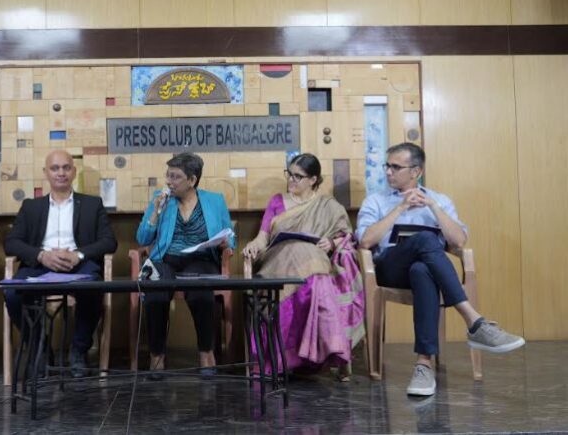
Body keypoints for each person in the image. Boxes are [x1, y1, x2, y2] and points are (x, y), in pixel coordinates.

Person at [357, 142, 525, 396]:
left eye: (396, 167)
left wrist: (433, 207)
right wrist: (400, 208)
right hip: (389, 269)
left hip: (424, 271)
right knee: (426, 240)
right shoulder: (376, 201)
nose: (388, 171)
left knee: (422, 271)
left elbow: (458, 241)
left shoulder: (440, 200)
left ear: (416, 171)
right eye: (387, 166)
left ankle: (423, 364)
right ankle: (473, 320)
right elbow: (365, 241)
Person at [242, 153, 364, 379]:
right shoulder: (277, 201)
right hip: (278, 260)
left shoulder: (328, 206)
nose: (291, 180)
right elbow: (263, 237)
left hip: (315, 262)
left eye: (298, 176)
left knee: (315, 270)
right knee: (305, 257)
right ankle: (301, 355)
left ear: (313, 179)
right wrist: (253, 245)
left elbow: (345, 236)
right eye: (289, 174)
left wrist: (331, 242)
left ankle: (327, 350)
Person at [4, 150, 117, 378]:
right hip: (39, 265)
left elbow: (109, 241)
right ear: (46, 173)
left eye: (66, 167)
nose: (61, 173)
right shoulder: (31, 206)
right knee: (12, 292)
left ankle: (78, 350)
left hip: (78, 265)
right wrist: (41, 255)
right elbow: (11, 243)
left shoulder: (92, 204)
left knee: (94, 287)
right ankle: (40, 349)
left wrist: (79, 255)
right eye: (55, 168)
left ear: (73, 172)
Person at [136, 152, 235, 377]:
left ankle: (206, 354)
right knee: (156, 293)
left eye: (175, 177)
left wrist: (226, 242)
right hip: (166, 259)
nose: (169, 182)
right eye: (168, 175)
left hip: (201, 259)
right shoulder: (160, 199)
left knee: (200, 292)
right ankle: (156, 356)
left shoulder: (215, 200)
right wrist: (155, 214)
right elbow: (142, 239)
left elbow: (230, 235)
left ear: (192, 180)